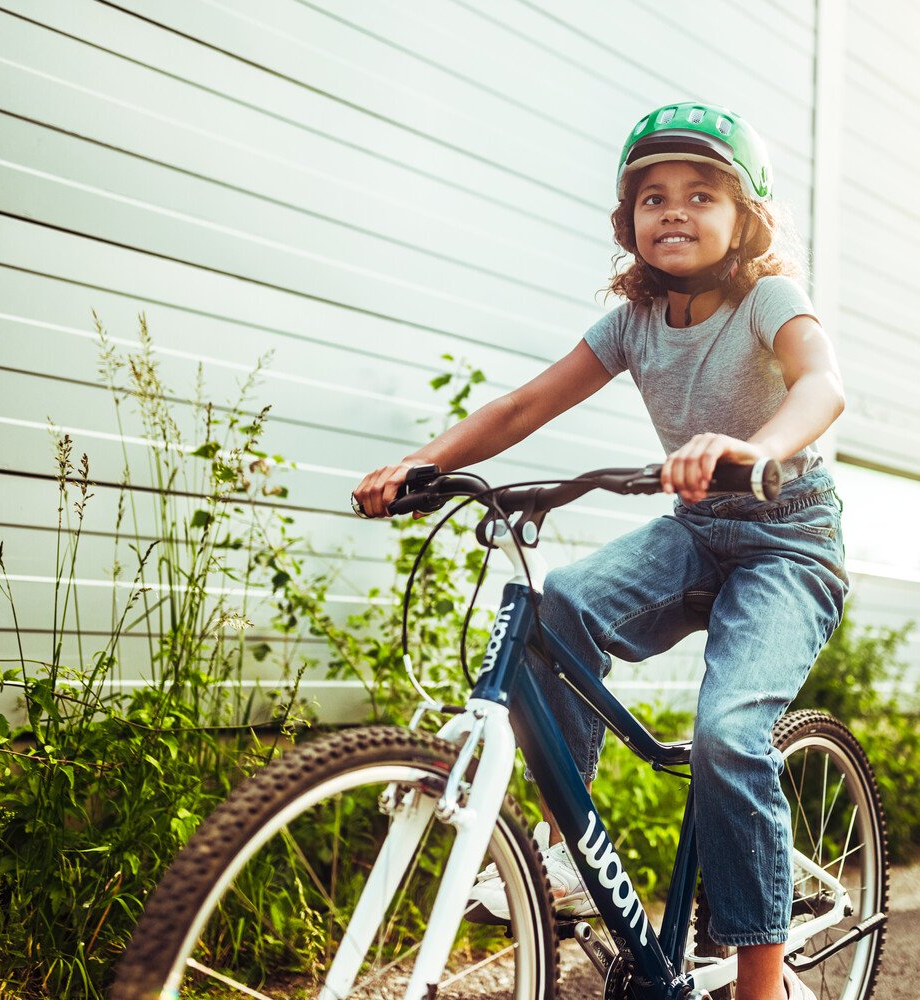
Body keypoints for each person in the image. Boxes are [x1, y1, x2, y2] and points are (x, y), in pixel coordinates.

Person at [352, 101, 848, 1000]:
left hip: (788, 539)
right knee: (559, 607)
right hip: (697, 529)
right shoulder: (631, 324)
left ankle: (760, 983)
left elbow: (822, 384)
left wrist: (757, 450)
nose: (674, 211)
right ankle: (565, 854)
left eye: (702, 194)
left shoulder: (766, 299)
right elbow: (519, 409)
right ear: (628, 224)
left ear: (747, 221)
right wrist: (421, 465)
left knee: (729, 733)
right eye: (652, 197)